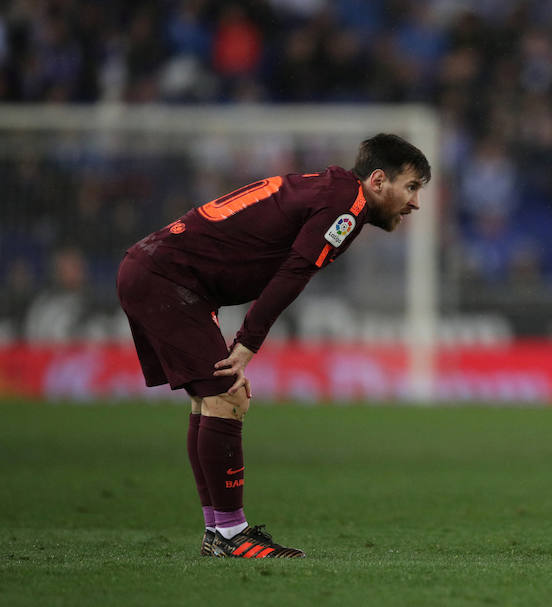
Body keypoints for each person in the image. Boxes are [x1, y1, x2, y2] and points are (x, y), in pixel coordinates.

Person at [117, 134, 430, 558]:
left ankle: (218, 532)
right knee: (227, 396)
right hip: (168, 278)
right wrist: (247, 342)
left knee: (212, 399)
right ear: (377, 181)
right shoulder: (347, 205)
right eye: (411, 187)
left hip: (162, 270)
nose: (415, 203)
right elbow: (294, 272)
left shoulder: (329, 188)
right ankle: (231, 535)